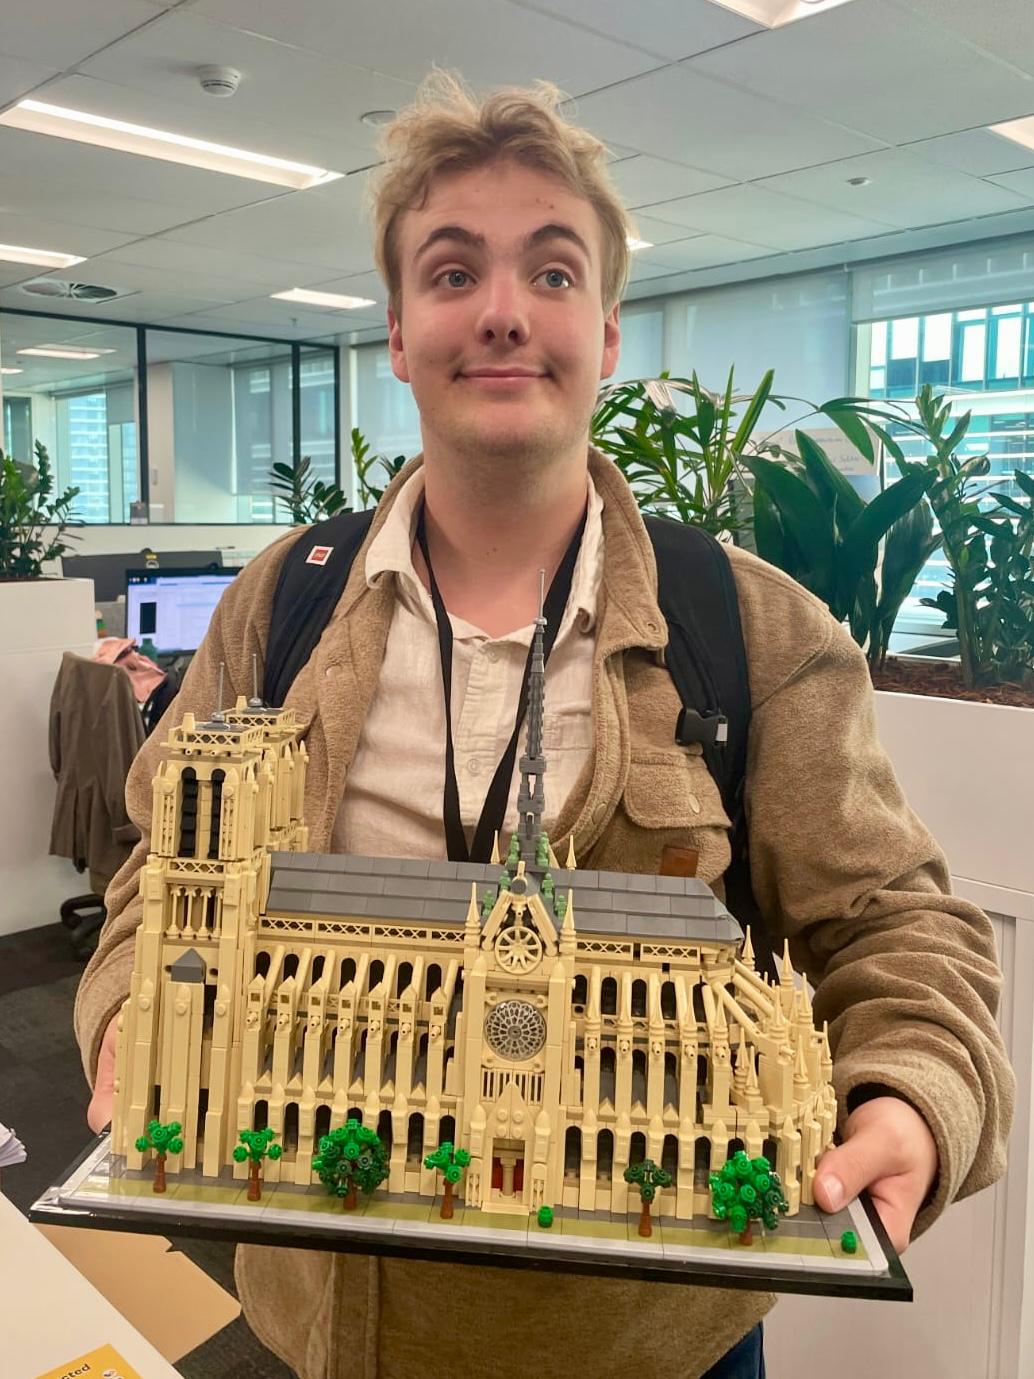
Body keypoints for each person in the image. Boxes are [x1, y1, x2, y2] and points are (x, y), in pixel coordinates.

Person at [75, 72, 1013, 1379]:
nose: (505, 311)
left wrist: (913, 1089)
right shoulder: (275, 609)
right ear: (397, 330)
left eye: (553, 272)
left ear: (608, 330)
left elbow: (890, 921)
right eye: (453, 272)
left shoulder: (754, 630)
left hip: (642, 1340)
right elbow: (150, 881)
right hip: (322, 1318)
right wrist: (134, 1012)